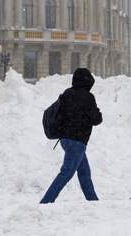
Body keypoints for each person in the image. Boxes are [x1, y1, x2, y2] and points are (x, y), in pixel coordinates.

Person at [40, 68, 103, 204]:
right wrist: (97, 112)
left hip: (65, 139)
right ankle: (46, 201)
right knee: (66, 173)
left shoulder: (67, 93)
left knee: (84, 171)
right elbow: (96, 119)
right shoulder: (88, 97)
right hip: (77, 140)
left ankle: (93, 201)